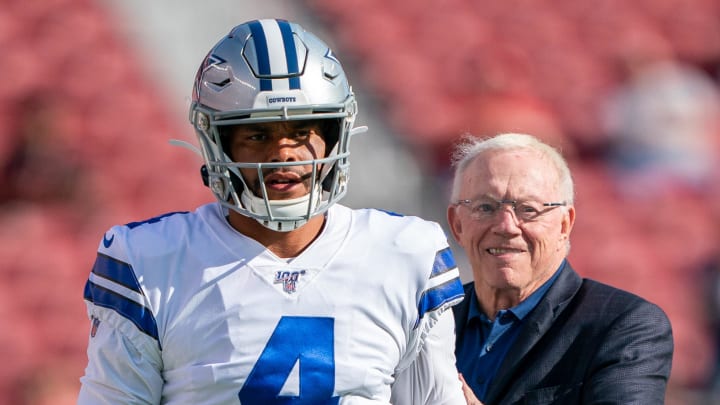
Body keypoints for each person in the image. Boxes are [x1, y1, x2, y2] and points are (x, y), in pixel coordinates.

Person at [78, 19, 466, 404]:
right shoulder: (148, 261)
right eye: (257, 134)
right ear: (220, 144)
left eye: (302, 132)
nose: (283, 152)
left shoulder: (406, 254)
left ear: (333, 135)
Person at [446, 133, 673, 404]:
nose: (506, 226)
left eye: (528, 209)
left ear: (565, 225)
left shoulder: (624, 325)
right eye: (485, 207)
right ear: (457, 225)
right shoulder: (425, 321)